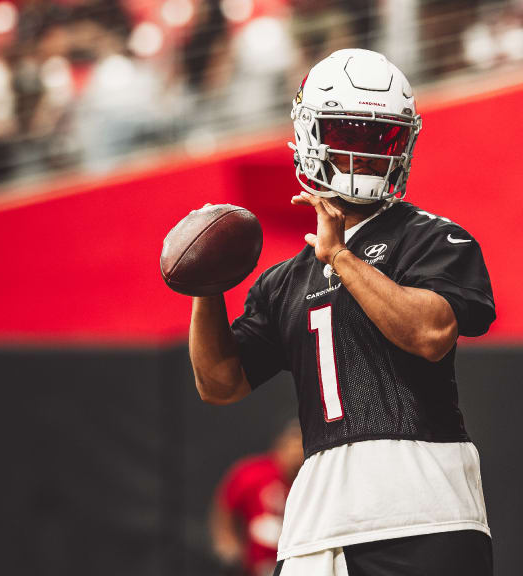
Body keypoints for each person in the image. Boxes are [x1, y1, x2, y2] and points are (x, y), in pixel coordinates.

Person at [189, 48, 496, 576]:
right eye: (347, 135)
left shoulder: (434, 237)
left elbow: (430, 331)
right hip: (317, 518)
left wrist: (340, 258)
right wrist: (207, 286)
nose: (365, 155)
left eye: (382, 139)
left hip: (426, 509)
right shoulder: (284, 280)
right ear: (311, 135)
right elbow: (220, 383)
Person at [210, 420, 305, 576]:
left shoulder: (311, 480)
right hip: (253, 568)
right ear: (280, 444)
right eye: (293, 442)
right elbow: (224, 513)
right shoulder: (252, 474)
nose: (296, 451)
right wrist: (229, 549)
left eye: (301, 444)